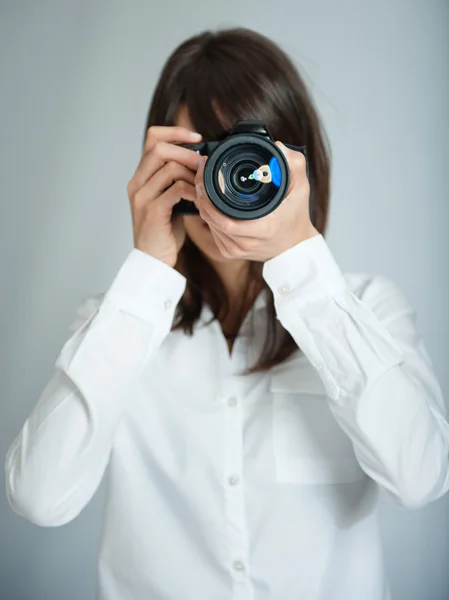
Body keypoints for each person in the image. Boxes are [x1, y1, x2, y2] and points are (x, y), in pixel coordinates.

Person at [4, 27, 449, 600]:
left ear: (298, 166)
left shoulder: (367, 310)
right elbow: (39, 499)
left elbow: (422, 478)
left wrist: (300, 261)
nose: (230, 179)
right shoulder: (118, 322)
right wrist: (148, 268)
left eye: (253, 156)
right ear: (162, 162)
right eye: (206, 155)